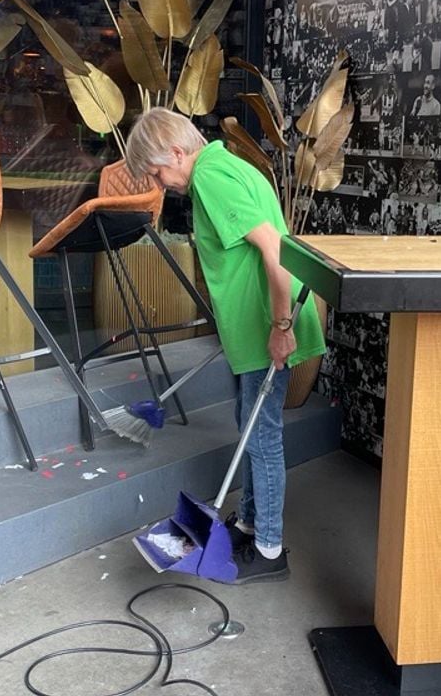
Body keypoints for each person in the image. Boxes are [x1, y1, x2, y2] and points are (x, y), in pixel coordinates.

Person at [123, 108, 328, 584]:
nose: (161, 183)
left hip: (267, 327)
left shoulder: (213, 177)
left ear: (176, 152)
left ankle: (271, 550)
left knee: (263, 434)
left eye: (157, 171)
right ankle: (251, 526)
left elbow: (274, 250)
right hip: (256, 327)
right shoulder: (228, 166)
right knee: (251, 425)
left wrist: (281, 326)